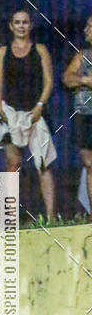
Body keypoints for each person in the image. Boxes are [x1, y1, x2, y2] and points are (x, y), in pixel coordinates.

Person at [0, 9, 56, 220]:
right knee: (13, 162)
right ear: (11, 26)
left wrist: (39, 106)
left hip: (34, 112)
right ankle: (8, 216)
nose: (21, 26)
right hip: (11, 111)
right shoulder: (3, 51)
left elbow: (49, 82)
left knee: (43, 163)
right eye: (17, 22)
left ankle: (51, 216)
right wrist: (1, 110)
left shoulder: (40, 50)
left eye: (25, 22)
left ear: (30, 25)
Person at [62, 15, 92, 213]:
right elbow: (68, 79)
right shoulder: (82, 55)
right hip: (85, 115)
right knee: (89, 164)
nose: (85, 30)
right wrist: (86, 80)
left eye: (90, 26)